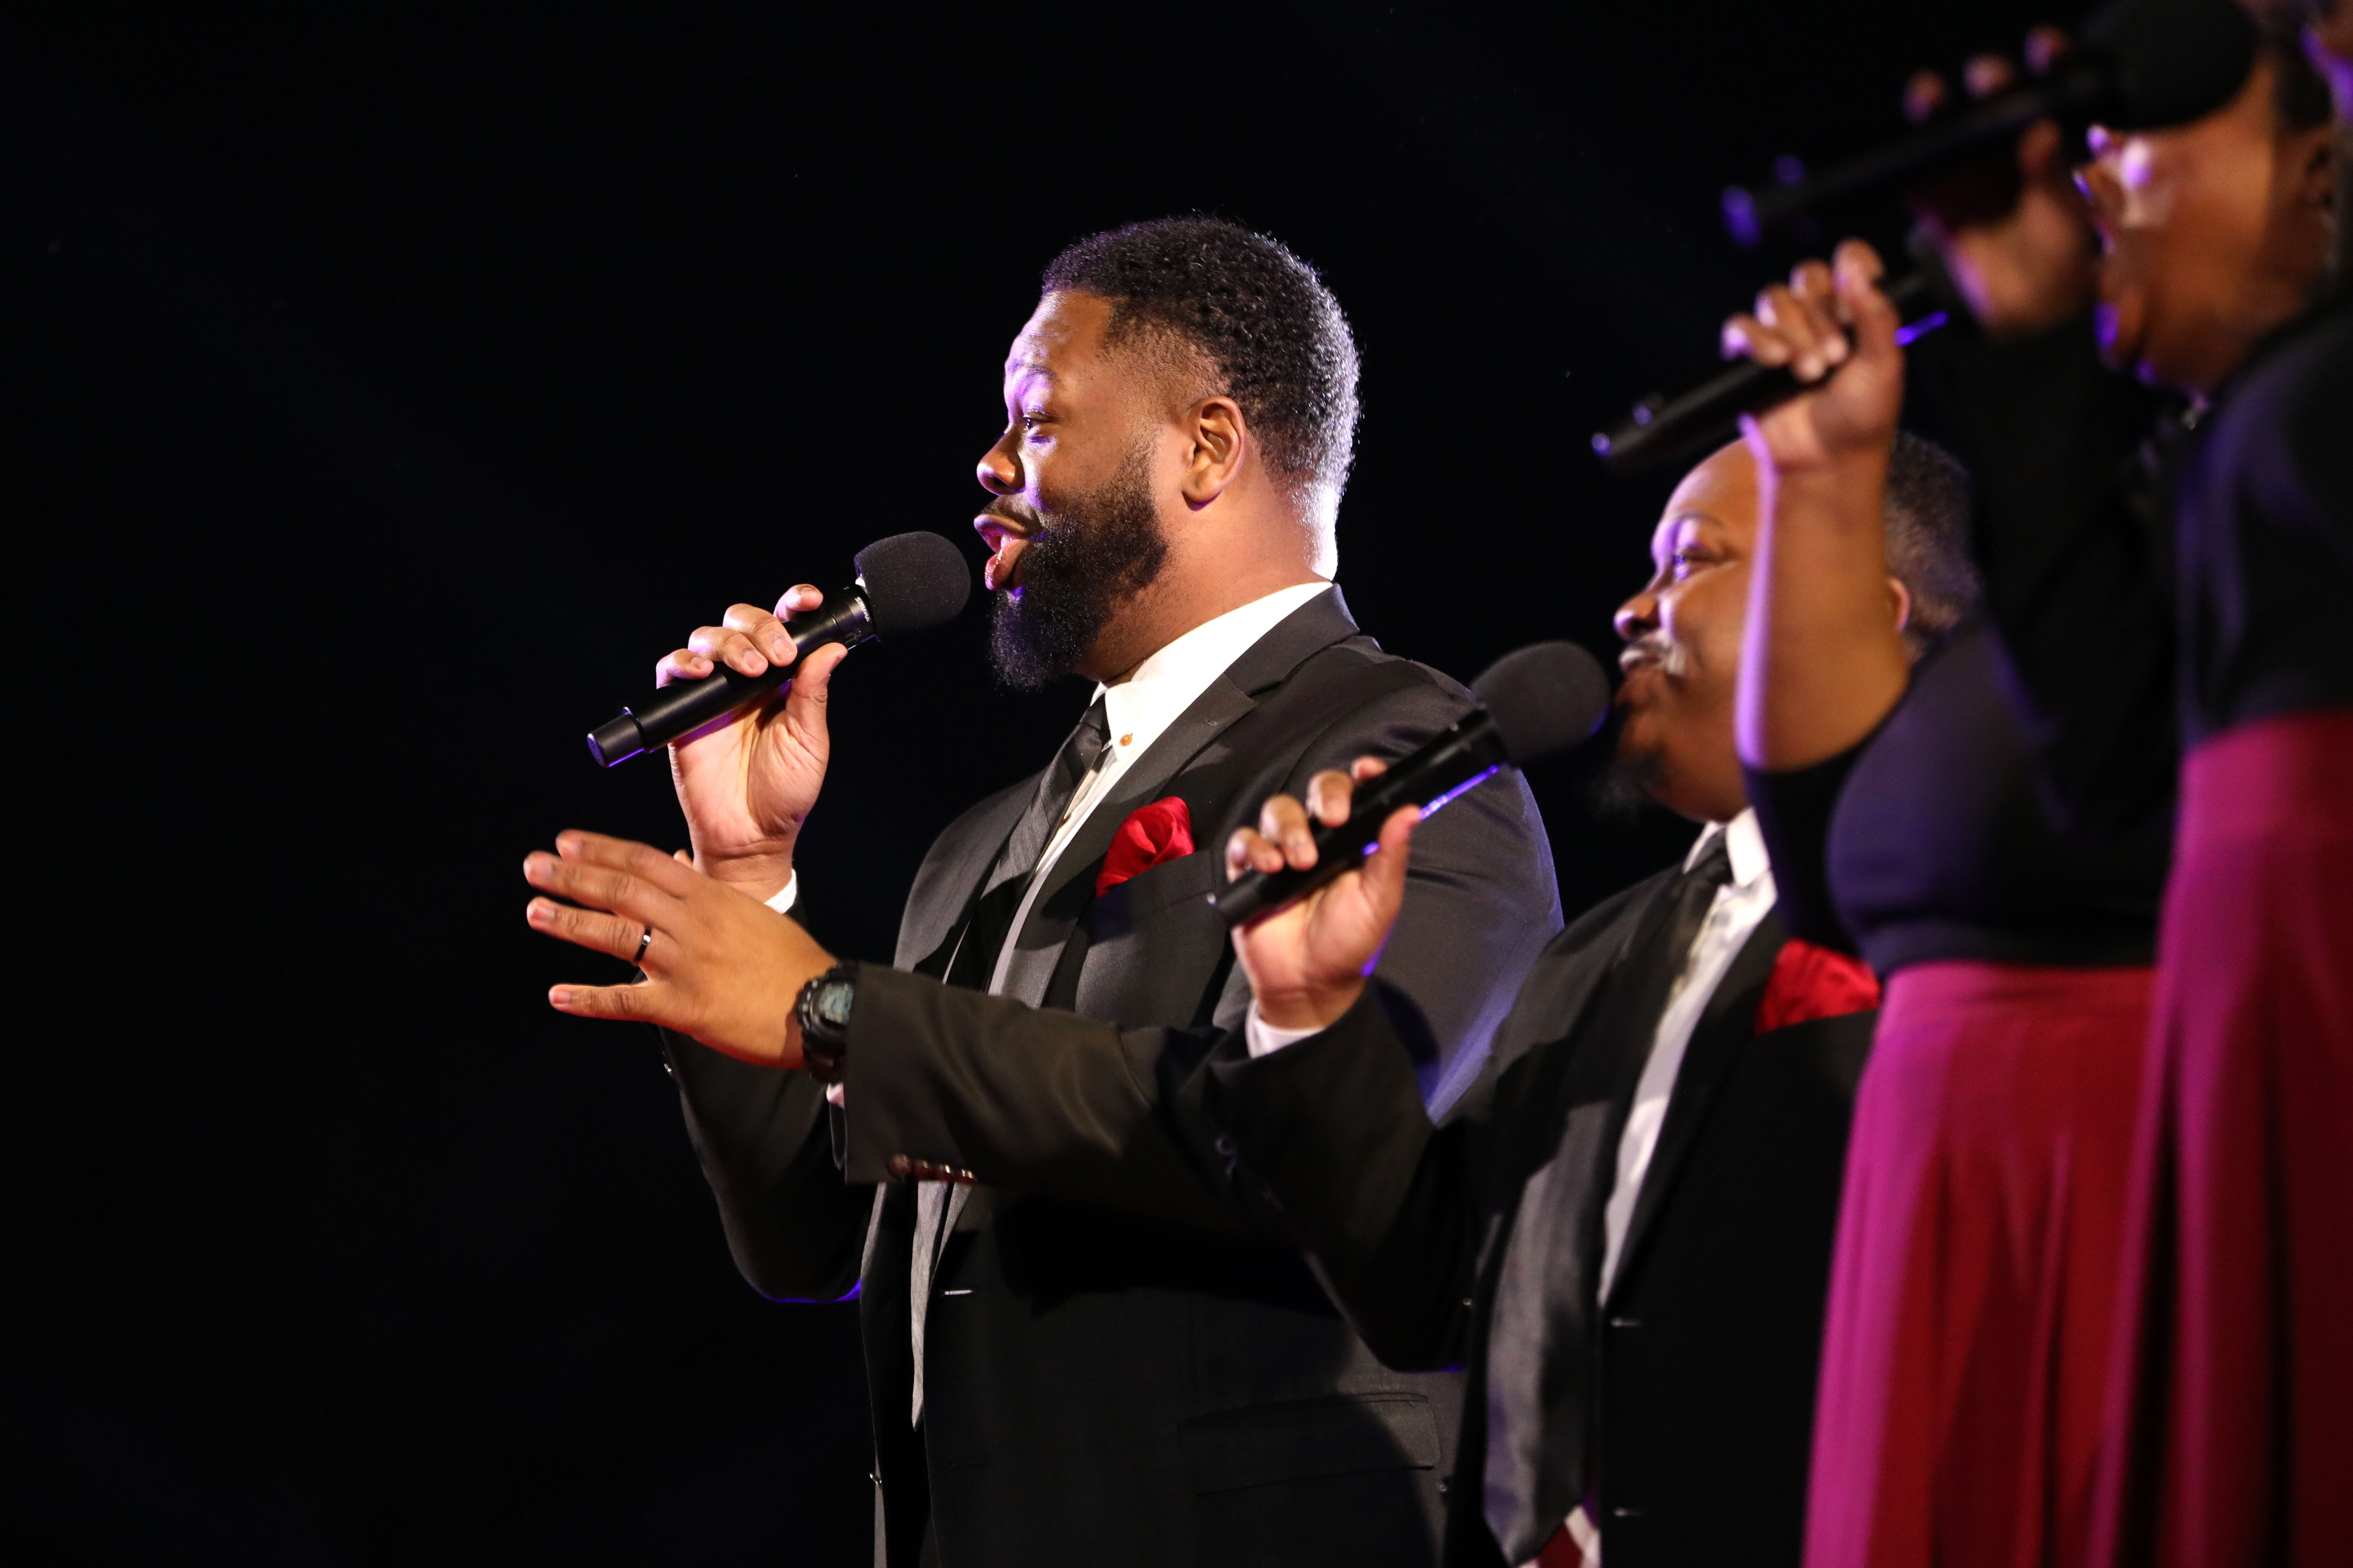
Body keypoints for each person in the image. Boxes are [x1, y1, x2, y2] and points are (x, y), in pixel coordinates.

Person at [520, 217, 1563, 1568]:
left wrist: (837, 1013)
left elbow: (1288, 1139)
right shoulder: (978, 847)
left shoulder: (1406, 759)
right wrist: (749, 874)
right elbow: (807, 1245)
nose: (990, 461)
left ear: (1205, 447)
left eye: (1038, 417)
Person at [1716, 13, 2339, 1566]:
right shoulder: (2162, 492)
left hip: (2144, 1169)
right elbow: (1839, 875)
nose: (2090, 178)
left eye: (2129, 134)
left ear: (2319, 158)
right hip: (1963, 1217)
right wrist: (1823, 478)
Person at [1197, 434, 1977, 1568]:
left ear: (1864, 610)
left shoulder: (1963, 925)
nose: (1632, 607)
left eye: (1691, 560)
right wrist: (1312, 1010)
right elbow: (1432, 1295)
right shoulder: (1593, 959)